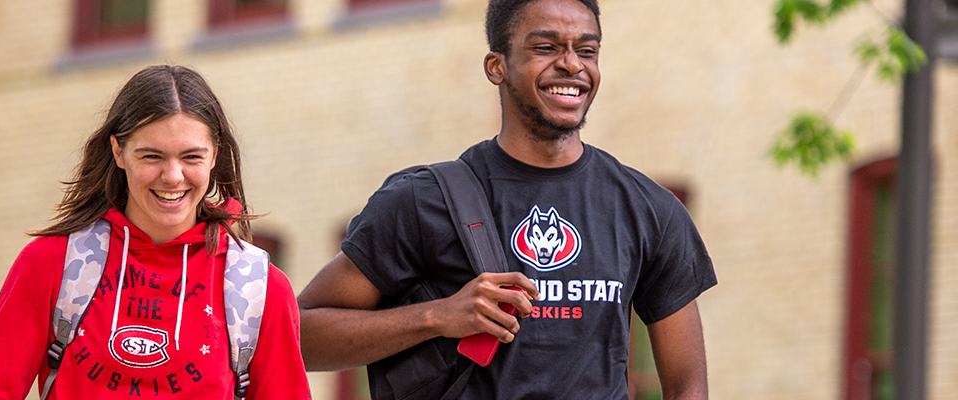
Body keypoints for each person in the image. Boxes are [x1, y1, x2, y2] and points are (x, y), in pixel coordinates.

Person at [298, 0, 716, 398]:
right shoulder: (421, 201)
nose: (572, 64)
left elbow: (687, 388)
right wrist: (436, 317)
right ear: (497, 66)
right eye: (545, 47)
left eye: (587, 50)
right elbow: (300, 335)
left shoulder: (648, 209)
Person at [0, 65, 311, 400]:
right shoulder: (52, 263)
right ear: (118, 152)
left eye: (191, 157)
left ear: (215, 155)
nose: (173, 176)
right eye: (151, 156)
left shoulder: (259, 289)